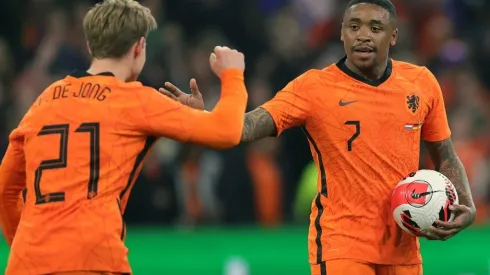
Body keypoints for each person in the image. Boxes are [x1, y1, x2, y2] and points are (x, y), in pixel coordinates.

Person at [161, 0, 476, 274]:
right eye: (354, 26)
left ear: (393, 35)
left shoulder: (421, 83)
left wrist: (466, 204)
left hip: (404, 248)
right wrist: (205, 117)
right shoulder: (313, 88)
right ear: (341, 33)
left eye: (375, 28)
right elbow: (247, 127)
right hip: (342, 245)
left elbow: (444, 154)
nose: (363, 35)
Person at [0, 0, 248, 274]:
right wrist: (233, 76)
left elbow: (5, 191)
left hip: (27, 263)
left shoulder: (43, 102)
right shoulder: (136, 100)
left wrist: (30, 249)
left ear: (90, 46)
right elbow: (227, 131)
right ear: (140, 47)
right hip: (94, 261)